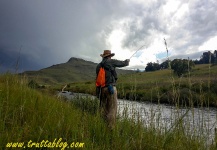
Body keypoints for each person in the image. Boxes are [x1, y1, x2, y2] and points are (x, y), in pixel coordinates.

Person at [96, 50, 130, 129]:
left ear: (103, 56)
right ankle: (110, 128)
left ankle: (101, 126)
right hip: (111, 89)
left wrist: (98, 93)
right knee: (112, 109)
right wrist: (127, 61)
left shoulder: (98, 66)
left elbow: (97, 80)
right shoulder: (111, 62)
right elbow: (123, 63)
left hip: (101, 89)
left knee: (103, 108)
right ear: (109, 56)